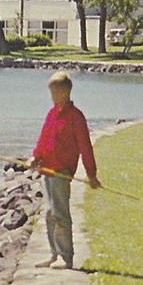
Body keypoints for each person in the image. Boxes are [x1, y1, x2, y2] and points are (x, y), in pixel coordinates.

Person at [28, 71, 101, 270]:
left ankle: (65, 256)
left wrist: (91, 174)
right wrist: (36, 156)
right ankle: (54, 254)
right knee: (50, 214)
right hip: (47, 169)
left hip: (62, 171)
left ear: (62, 92)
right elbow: (43, 138)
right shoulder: (52, 113)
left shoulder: (75, 117)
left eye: (52, 92)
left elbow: (85, 147)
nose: (50, 96)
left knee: (60, 214)